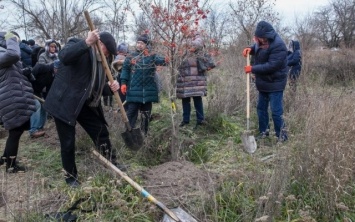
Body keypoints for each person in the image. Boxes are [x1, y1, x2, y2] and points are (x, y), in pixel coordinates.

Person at [44, 30, 125, 187]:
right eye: (106, 51)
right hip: (64, 102)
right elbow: (64, 57)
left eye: (108, 54)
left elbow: (96, 86)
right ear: (99, 43)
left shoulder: (101, 62)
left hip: (84, 104)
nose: (106, 56)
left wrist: (110, 87)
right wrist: (86, 42)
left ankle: (112, 162)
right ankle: (71, 178)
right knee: (68, 142)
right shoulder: (77, 44)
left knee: (101, 131)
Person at [243, 20, 288, 142]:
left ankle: (282, 136)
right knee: (261, 109)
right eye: (256, 38)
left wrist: (252, 68)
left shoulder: (279, 45)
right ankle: (264, 132)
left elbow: (272, 66)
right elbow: (258, 47)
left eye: (259, 38)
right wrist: (250, 49)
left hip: (275, 83)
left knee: (276, 111)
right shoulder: (261, 41)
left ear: (265, 36)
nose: (257, 40)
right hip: (263, 82)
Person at [0, 31, 36, 172]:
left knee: (16, 131)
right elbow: (14, 55)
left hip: (13, 96)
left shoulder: (4, 53)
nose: (17, 42)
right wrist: (10, 36)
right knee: (15, 131)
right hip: (9, 97)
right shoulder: (4, 53)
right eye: (15, 40)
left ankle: (5, 159)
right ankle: (11, 166)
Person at [120, 34, 168, 135]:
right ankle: (129, 133)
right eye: (138, 43)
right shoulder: (131, 56)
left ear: (146, 45)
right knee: (131, 113)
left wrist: (168, 58)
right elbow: (125, 69)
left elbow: (163, 61)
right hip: (134, 91)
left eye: (142, 43)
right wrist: (123, 82)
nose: (139, 45)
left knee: (146, 115)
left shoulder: (152, 56)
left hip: (148, 91)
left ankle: (144, 134)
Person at [177, 33, 214, 129]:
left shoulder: (199, 46)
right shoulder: (182, 47)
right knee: (185, 100)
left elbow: (198, 43)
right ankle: (185, 121)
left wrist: (188, 43)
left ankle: (200, 120)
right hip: (184, 79)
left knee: (197, 99)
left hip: (197, 80)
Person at [28, 60, 60, 138]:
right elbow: (29, 76)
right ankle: (33, 130)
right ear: (55, 68)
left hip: (37, 92)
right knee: (37, 105)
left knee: (44, 106)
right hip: (28, 89)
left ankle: (40, 128)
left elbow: (49, 90)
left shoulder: (53, 76)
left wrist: (48, 101)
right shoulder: (41, 67)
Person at [110, 42, 129, 110]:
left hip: (121, 79)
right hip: (121, 78)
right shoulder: (121, 58)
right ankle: (124, 108)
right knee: (123, 94)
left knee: (122, 94)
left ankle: (124, 108)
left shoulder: (122, 58)